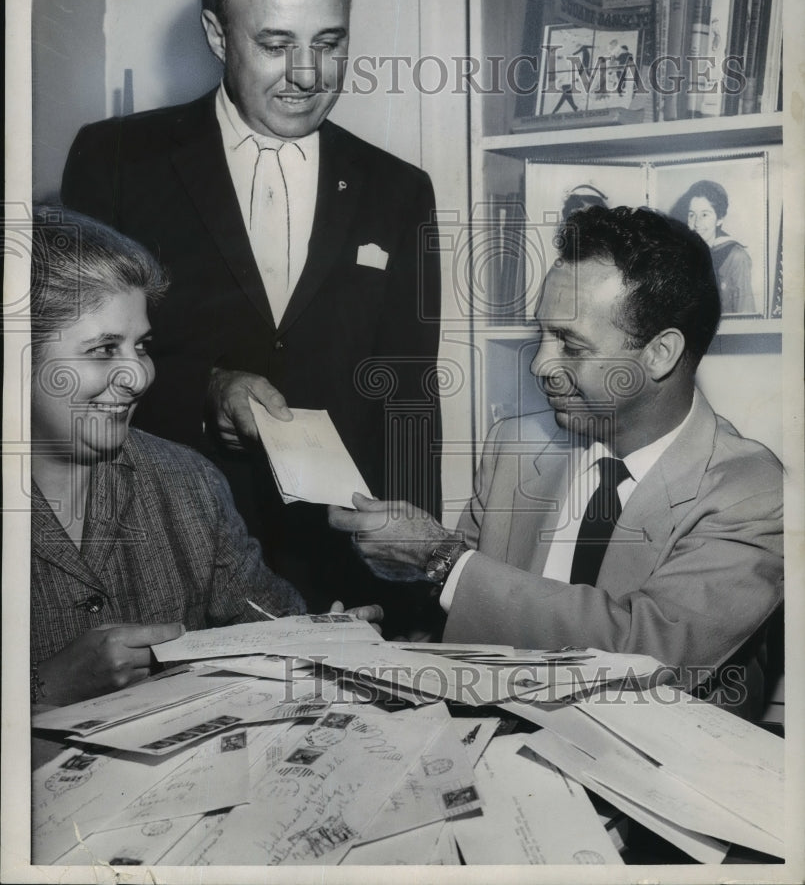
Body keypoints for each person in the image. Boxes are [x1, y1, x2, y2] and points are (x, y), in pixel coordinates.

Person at [60, 0, 442, 631]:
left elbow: (409, 395)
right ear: (216, 34)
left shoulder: (399, 191)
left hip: (339, 575)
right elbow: (69, 370)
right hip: (163, 562)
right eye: (275, 43)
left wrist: (417, 584)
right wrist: (208, 391)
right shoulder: (115, 161)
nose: (307, 74)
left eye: (330, 44)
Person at [329, 206, 783, 719]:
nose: (541, 364)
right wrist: (377, 647)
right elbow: (467, 616)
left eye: (570, 344)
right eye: (542, 335)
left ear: (661, 354)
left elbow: (646, 654)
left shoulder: (752, 491)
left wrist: (440, 560)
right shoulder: (515, 446)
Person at [30, 210, 381, 707]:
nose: (138, 376)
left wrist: (323, 642)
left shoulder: (188, 482)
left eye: (142, 346)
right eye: (105, 349)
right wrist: (41, 688)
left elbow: (269, 625)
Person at [672, 179, 755, 314]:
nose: (696, 223)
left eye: (705, 215)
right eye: (692, 214)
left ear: (720, 219)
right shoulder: (683, 256)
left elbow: (746, 316)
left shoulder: (736, 258)